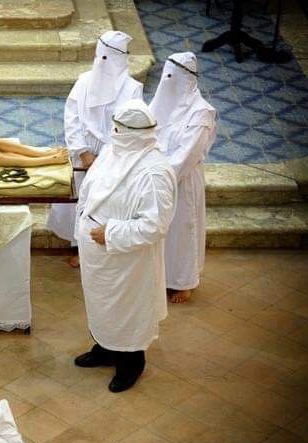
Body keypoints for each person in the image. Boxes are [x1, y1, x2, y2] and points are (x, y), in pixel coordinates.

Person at [73, 100, 177, 393]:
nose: (113, 133)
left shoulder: (154, 173)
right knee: (102, 304)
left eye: (118, 129)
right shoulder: (114, 150)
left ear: (132, 132)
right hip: (98, 252)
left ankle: (131, 360)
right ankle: (106, 347)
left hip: (127, 259)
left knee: (127, 308)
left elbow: (155, 225)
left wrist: (112, 233)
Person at [47, 30, 143, 267]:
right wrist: (83, 151)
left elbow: (130, 125)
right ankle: (80, 248)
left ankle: (102, 249)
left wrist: (107, 156)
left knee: (104, 205)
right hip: (84, 156)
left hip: (114, 159)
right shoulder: (84, 81)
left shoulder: (131, 88)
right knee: (81, 203)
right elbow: (71, 116)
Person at [149, 52, 217, 303]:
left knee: (181, 230)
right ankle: (158, 277)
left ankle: (182, 281)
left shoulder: (201, 113)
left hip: (181, 180)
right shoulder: (162, 103)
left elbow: (187, 155)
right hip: (155, 175)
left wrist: (159, 175)